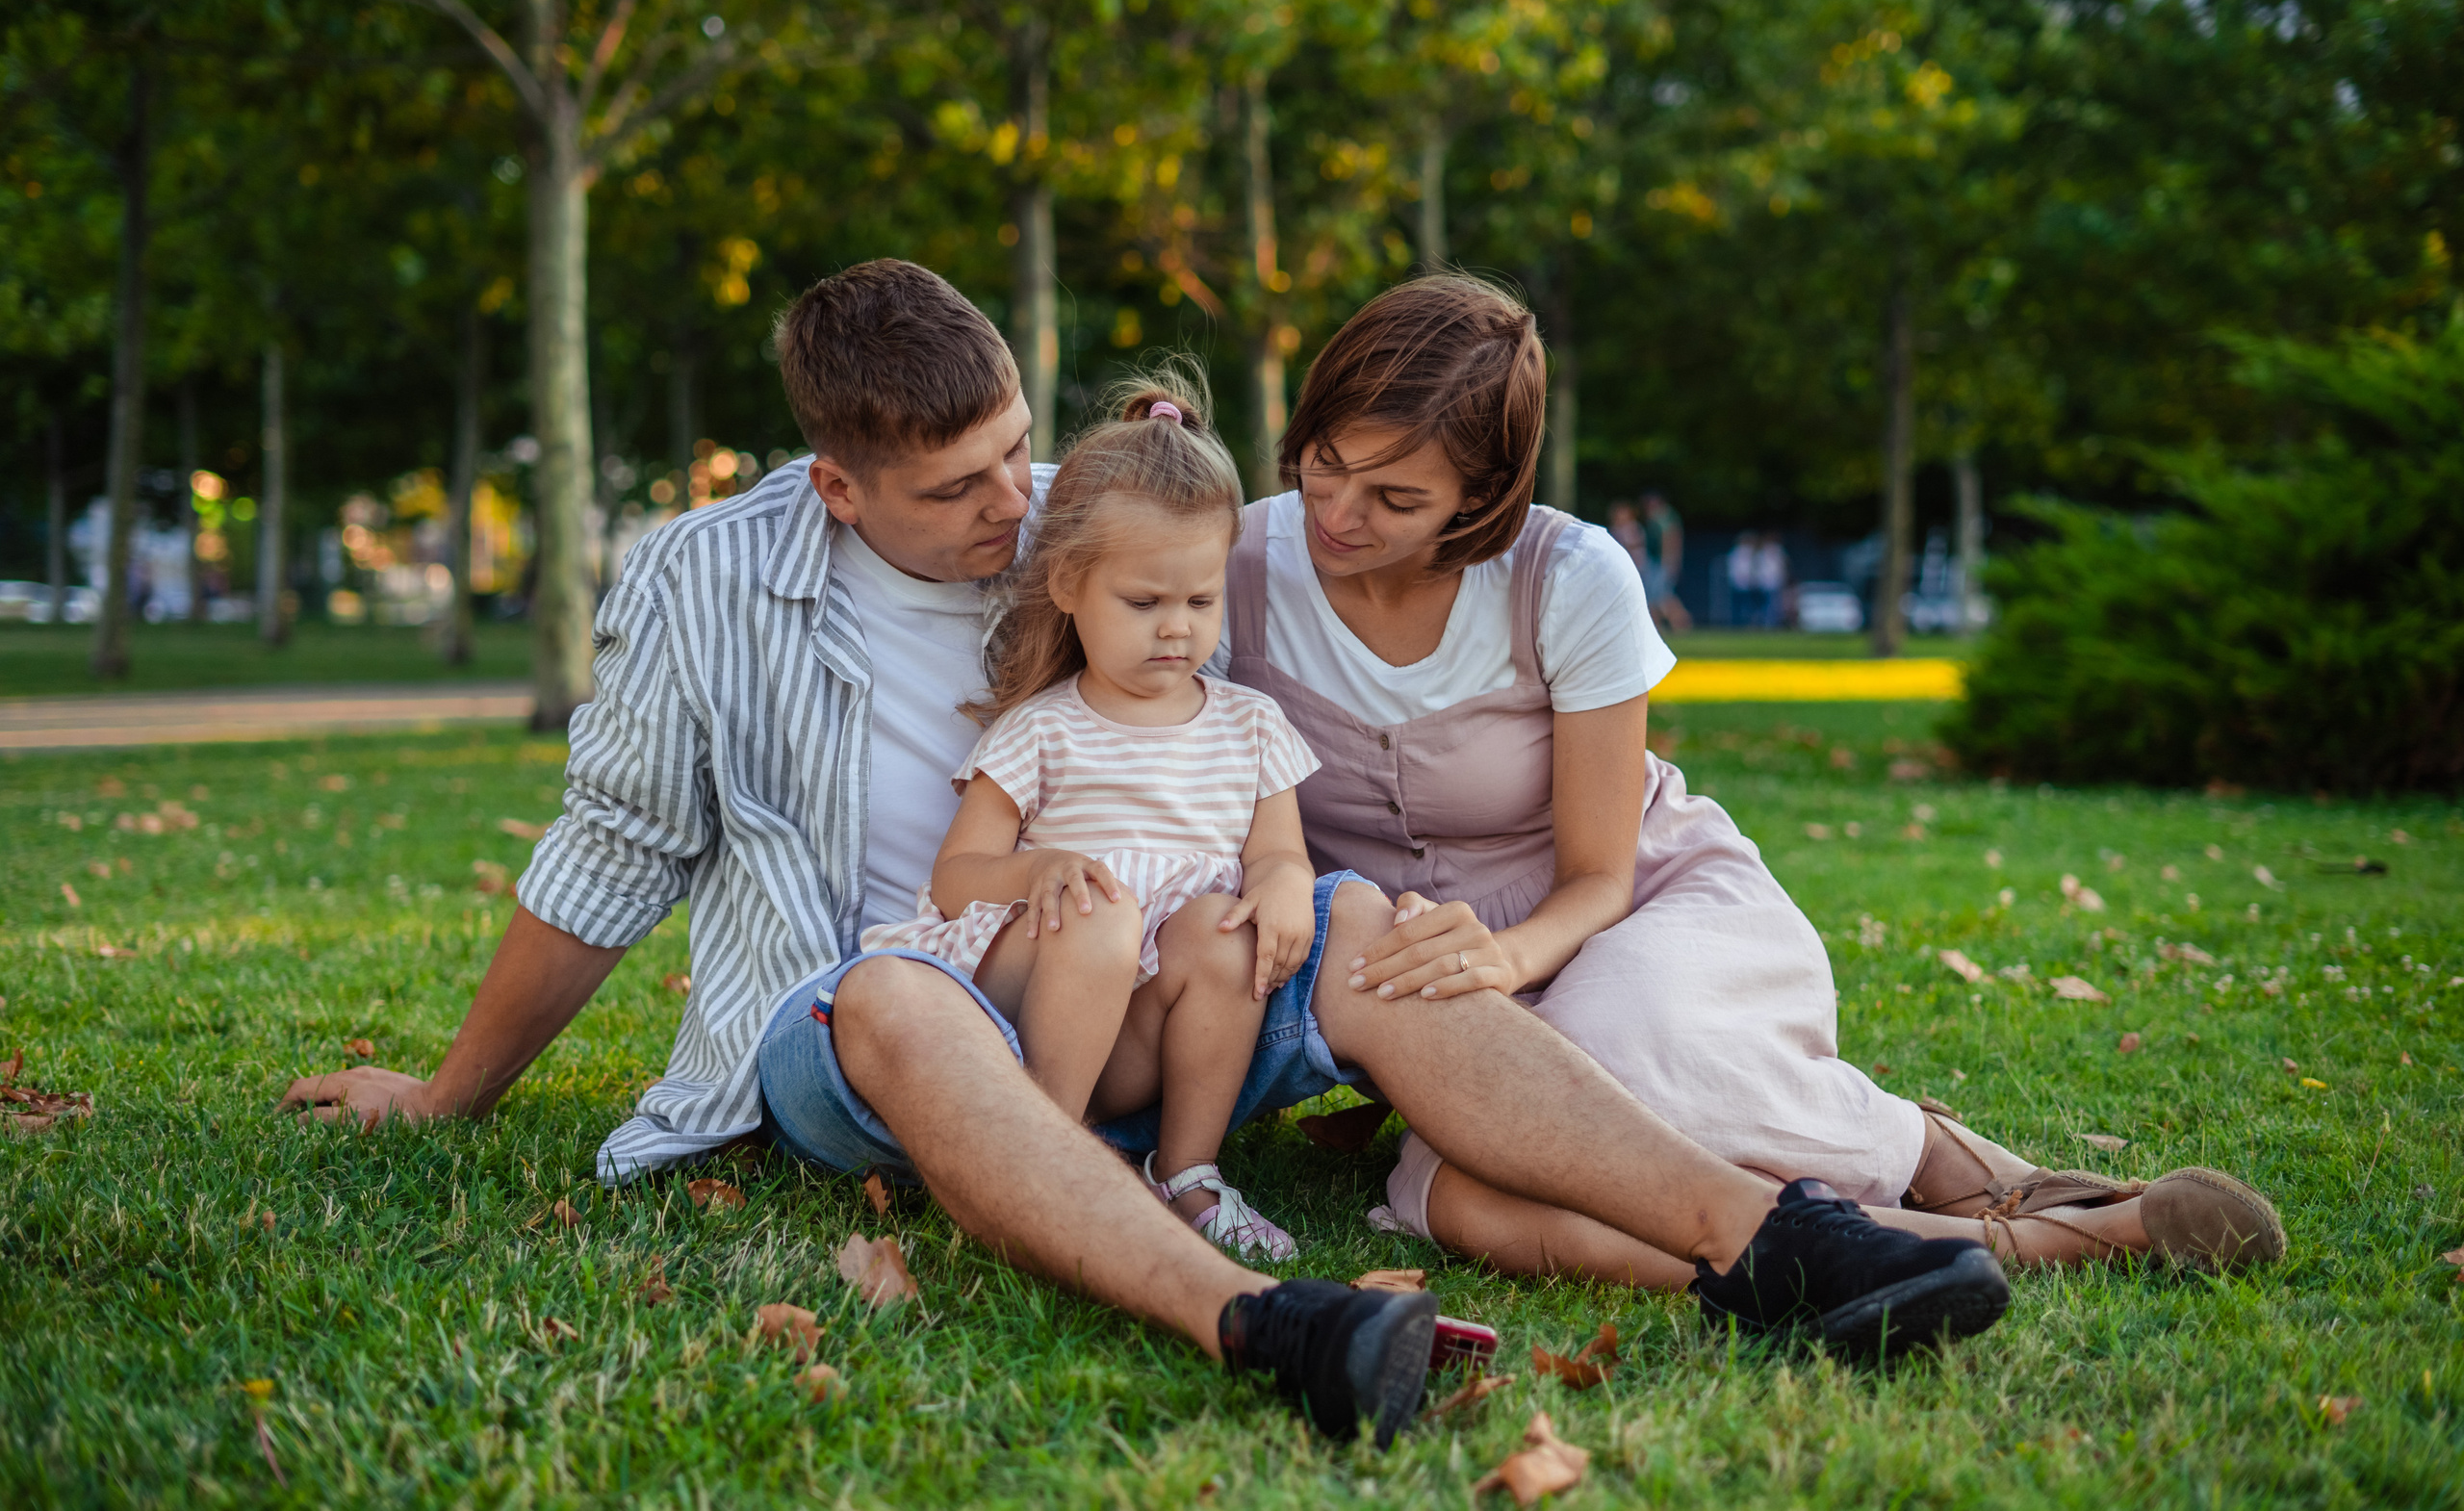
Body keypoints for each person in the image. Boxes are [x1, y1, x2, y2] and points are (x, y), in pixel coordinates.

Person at [278, 260, 2018, 1454]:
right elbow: (614, 851)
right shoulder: (699, 583)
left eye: (1023, 449)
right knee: (895, 989)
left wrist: (1281, 890)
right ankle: (1269, 1324)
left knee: (1353, 920)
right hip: (908, 1011)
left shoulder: (1107, 525)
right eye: (963, 484)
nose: (1015, 506)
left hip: (1167, 992)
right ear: (835, 486)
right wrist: (447, 1096)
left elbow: (1265, 693)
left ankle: (1780, 1239)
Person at [1215, 273, 2285, 1288]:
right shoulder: (1233, 566)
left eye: (1395, 496)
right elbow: (1074, 507)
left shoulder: (1566, 575)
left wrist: (1500, 961)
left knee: (1618, 1068)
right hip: (1424, 983)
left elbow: (1597, 877)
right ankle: (2029, 1245)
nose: (1339, 512)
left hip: (1619, 912)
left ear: (1480, 495)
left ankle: (1926, 1147)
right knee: (1465, 1191)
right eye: (1322, 461)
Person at [860, 388, 1317, 1258]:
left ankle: (1188, 1173)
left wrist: (1284, 889)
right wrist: (1035, 871)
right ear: (1070, 583)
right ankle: (1038, 1165)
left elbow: (1280, 855)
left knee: (1224, 933)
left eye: (1200, 601)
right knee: (1100, 908)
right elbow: (956, 879)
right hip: (1034, 995)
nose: (1178, 630)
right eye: (1145, 603)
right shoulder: (1043, 726)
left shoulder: (1250, 726)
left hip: (1141, 1034)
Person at [1639, 491, 1690, 633]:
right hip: (1659, 563)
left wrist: (1669, 562)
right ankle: (1658, 627)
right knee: (1658, 597)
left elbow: (1670, 540)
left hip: (1661, 563)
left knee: (1661, 597)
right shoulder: (1662, 517)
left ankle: (1681, 624)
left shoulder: (1663, 517)